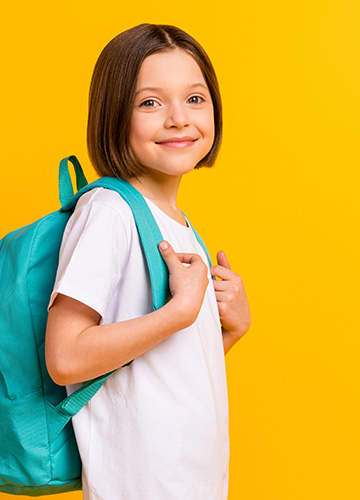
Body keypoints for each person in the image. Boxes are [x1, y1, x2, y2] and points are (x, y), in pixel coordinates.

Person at [44, 23, 252, 500]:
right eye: (150, 103)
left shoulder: (175, 223)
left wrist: (228, 331)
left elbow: (152, 377)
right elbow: (66, 357)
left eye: (195, 99)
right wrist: (178, 313)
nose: (179, 119)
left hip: (193, 482)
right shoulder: (109, 213)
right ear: (113, 115)